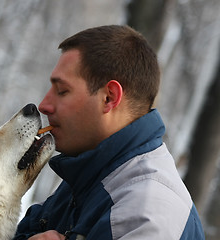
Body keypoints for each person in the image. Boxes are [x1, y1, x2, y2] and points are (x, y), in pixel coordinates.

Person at [13, 25, 205, 240]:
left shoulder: (146, 214)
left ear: (109, 97)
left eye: (62, 91)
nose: (44, 105)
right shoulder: (89, 177)